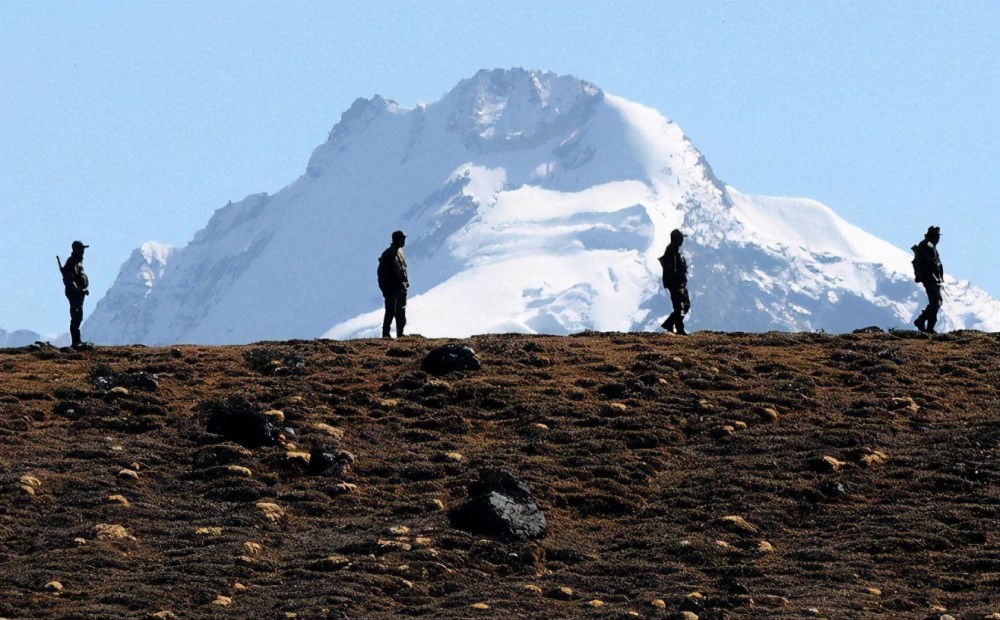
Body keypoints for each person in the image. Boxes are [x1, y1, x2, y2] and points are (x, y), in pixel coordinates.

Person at [912, 225, 944, 334]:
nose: (938, 239)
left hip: (933, 279)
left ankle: (923, 322)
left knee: (935, 302)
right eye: (937, 236)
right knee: (935, 302)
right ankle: (924, 323)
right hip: (929, 279)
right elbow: (931, 264)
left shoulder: (930, 246)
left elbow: (936, 263)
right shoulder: (926, 246)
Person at [658, 228, 690, 335]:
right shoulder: (672, 252)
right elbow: (673, 270)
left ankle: (677, 327)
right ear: (676, 239)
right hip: (676, 284)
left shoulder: (675, 250)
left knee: (682, 306)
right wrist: (677, 281)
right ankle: (673, 326)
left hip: (678, 283)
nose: (682, 240)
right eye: (681, 238)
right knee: (682, 306)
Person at [377, 230, 409, 338]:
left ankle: (400, 334)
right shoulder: (387, 255)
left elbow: (403, 269)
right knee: (390, 312)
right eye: (402, 239)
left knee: (401, 313)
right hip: (391, 290)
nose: (404, 241)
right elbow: (381, 275)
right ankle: (386, 334)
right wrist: (385, 291)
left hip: (400, 289)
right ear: (397, 240)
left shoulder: (400, 253)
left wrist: (405, 283)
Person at [60, 240, 90, 349]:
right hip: (74, 293)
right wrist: (77, 289)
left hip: (79, 293)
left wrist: (83, 289)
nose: (83, 251)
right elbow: (69, 278)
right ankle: (75, 342)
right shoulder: (72, 261)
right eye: (81, 249)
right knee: (76, 315)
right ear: (76, 249)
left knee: (78, 315)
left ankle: (77, 341)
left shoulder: (77, 262)